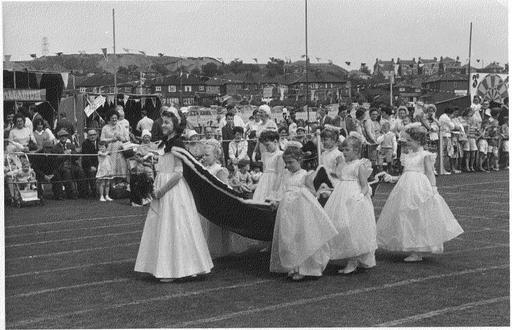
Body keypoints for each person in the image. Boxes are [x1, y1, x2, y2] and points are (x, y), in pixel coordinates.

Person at [135, 107, 213, 282]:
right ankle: (166, 266)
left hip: (172, 189)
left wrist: (161, 190)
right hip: (161, 184)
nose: (164, 124)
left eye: (168, 122)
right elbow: (163, 162)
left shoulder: (177, 144)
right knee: (164, 228)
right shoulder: (164, 143)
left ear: (176, 125)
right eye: (163, 121)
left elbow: (178, 173)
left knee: (175, 227)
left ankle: (179, 268)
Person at [376, 124, 464, 262]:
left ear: (419, 141)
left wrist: (433, 188)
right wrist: (392, 178)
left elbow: (429, 172)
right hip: (405, 187)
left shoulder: (425, 155)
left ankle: (418, 250)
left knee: (418, 216)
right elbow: (405, 173)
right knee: (405, 215)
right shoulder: (408, 155)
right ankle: (411, 246)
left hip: (419, 187)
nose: (407, 143)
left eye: (410, 140)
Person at [269, 144, 338, 281]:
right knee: (291, 237)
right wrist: (277, 200)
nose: (288, 165)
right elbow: (284, 190)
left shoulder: (305, 175)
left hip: (302, 210)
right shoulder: (286, 175)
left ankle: (306, 268)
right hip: (288, 212)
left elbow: (313, 192)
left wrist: (300, 192)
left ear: (300, 160)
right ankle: (294, 266)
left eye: (291, 162)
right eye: (286, 163)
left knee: (303, 236)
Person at [325, 135, 377, 274]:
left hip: (354, 197)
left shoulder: (359, 165)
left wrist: (360, 196)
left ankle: (353, 260)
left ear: (356, 151)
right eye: (343, 149)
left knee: (353, 227)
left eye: (347, 149)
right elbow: (340, 176)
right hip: (341, 195)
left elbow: (364, 185)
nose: (344, 152)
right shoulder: (344, 164)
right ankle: (349, 256)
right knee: (341, 225)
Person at [51, 129, 87, 200]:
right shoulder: (55, 147)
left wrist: (71, 152)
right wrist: (64, 154)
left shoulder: (71, 145)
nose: (63, 137)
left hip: (72, 164)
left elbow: (77, 156)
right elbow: (55, 160)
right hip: (61, 166)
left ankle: (82, 193)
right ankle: (71, 194)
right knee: (67, 172)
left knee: (80, 171)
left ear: (67, 137)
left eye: (65, 136)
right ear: (59, 137)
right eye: (61, 136)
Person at [252, 130, 285, 202]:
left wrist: (274, 192)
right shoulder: (264, 155)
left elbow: (280, 174)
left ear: (275, 142)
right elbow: (264, 171)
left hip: (275, 182)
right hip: (264, 183)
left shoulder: (280, 155)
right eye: (264, 145)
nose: (266, 148)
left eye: (267, 145)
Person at [100, 109, 130, 185]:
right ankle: (111, 188)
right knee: (110, 170)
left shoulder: (121, 127)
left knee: (120, 169)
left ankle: (119, 188)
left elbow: (127, 139)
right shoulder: (105, 128)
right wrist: (111, 140)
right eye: (112, 118)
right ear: (109, 118)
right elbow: (101, 140)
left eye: (116, 118)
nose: (114, 119)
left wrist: (121, 138)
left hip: (120, 151)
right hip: (110, 151)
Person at [81, 129, 100, 197]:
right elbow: (86, 157)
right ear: (88, 136)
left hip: (99, 164)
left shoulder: (100, 142)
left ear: (97, 135)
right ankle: (94, 192)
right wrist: (91, 166)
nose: (92, 136)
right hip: (88, 165)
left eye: (94, 135)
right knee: (91, 173)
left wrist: (99, 166)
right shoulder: (85, 143)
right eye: (90, 135)